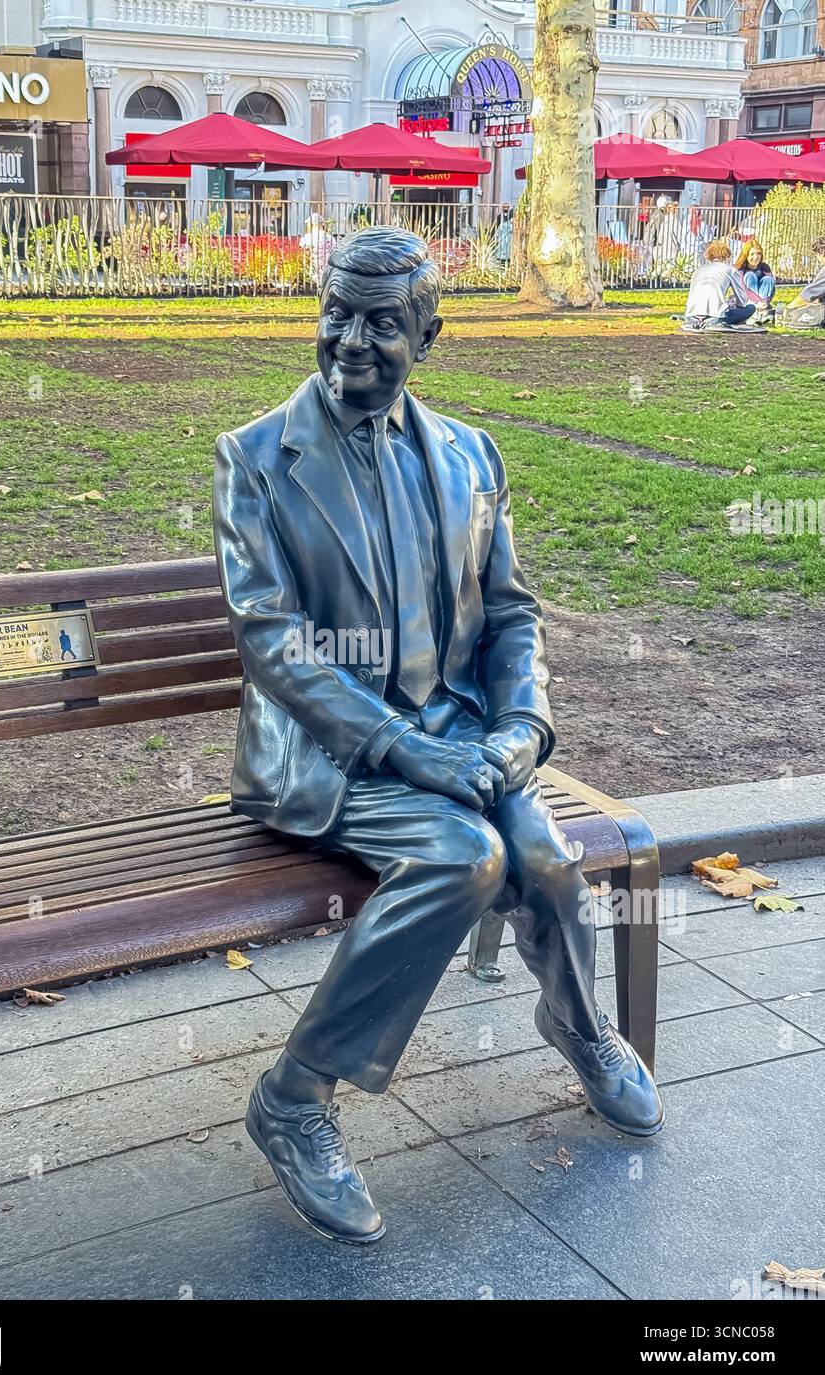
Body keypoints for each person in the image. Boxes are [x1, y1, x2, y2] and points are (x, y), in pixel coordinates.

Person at [213, 227, 664, 1246]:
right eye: (337, 311)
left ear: (430, 334)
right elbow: (274, 648)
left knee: (543, 851)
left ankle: (581, 1028)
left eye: (382, 323)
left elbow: (510, 612)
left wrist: (521, 724)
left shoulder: (471, 454)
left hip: (461, 729)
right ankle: (293, 1097)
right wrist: (402, 748)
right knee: (465, 854)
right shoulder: (254, 459)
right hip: (327, 750)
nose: (352, 340)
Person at [681, 237, 761, 333]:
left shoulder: (699, 270)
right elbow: (742, 301)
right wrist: (733, 303)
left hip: (691, 316)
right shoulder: (729, 270)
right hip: (715, 317)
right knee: (750, 308)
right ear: (727, 256)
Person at [735, 239, 775, 322]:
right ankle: (755, 311)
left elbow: (772, 288)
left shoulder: (765, 267)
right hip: (748, 301)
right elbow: (744, 290)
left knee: (769, 279)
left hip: (763, 301)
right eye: (752, 254)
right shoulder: (741, 270)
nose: (756, 257)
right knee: (750, 275)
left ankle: (762, 311)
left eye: (758, 254)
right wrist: (758, 301)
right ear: (746, 255)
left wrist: (765, 301)